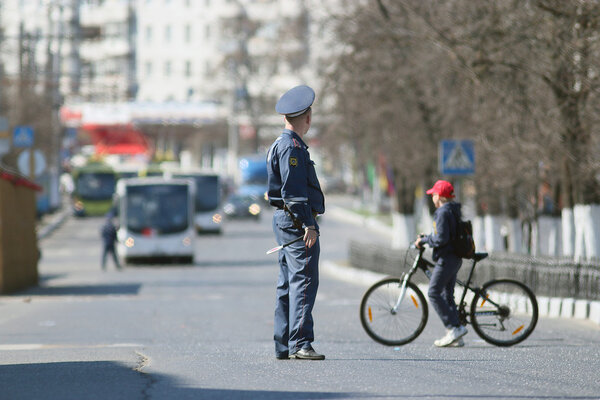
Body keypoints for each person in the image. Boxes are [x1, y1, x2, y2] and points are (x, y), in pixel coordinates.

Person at [267, 85, 326, 360]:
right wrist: (308, 225)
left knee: (287, 283)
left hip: (284, 222)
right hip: (296, 223)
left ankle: (284, 344)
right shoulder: (292, 149)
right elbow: (293, 194)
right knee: (303, 281)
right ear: (308, 118)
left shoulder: (279, 145)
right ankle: (300, 343)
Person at [415, 180, 467, 347]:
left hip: (447, 258)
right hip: (454, 257)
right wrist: (429, 237)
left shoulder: (442, 212)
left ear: (439, 196)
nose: (432, 197)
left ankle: (453, 327)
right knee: (447, 295)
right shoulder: (452, 210)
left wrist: (424, 240)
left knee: (433, 292)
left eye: (434, 195)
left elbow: (441, 238)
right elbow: (444, 234)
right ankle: (455, 333)